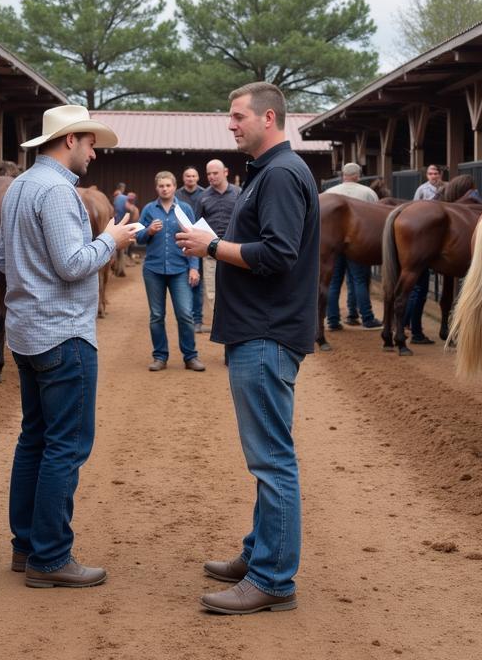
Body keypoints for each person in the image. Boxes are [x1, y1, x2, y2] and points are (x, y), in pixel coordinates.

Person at [177, 82, 318, 615]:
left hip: (266, 331)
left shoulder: (280, 174)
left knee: (272, 461)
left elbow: (279, 254)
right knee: (268, 457)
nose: (231, 125)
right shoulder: (273, 171)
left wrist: (212, 246)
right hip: (259, 329)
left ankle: (274, 580)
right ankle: (261, 552)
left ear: (269, 118)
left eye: (238, 117)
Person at [0, 104, 139, 587]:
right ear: (70, 140)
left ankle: (25, 545)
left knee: (34, 438)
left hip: (27, 331)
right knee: (65, 446)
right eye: (90, 142)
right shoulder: (58, 191)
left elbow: (0, 256)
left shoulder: (19, 186)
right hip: (63, 333)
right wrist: (112, 239)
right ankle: (51, 558)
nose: (94, 152)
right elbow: (73, 264)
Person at [136, 172, 204, 371]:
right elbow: (138, 238)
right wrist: (148, 231)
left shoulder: (184, 209)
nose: (164, 188)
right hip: (153, 270)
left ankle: (190, 357)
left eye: (168, 185)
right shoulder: (149, 209)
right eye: (161, 186)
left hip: (180, 269)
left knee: (185, 314)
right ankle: (160, 356)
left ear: (175, 187)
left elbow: (194, 238)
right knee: (157, 315)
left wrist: (194, 267)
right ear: (156, 188)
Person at [322, 162, 381, 330]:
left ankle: (333, 320)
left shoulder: (329, 193)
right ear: (358, 176)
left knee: (333, 282)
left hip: (333, 244)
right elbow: (376, 217)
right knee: (360, 280)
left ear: (343, 175)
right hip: (358, 243)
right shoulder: (368, 193)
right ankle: (367, 318)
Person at [402, 162, 444, 345]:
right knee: (418, 288)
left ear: (440, 174)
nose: (433, 175)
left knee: (417, 288)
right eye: (430, 173)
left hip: (441, 234)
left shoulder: (447, 188)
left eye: (435, 173)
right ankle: (407, 322)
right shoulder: (422, 190)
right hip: (425, 235)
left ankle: (406, 322)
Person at [197, 159, 241, 327]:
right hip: (211, 252)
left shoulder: (239, 193)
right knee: (212, 291)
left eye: (215, 173)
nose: (211, 177)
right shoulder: (203, 197)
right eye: (208, 174)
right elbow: (197, 224)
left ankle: (236, 323)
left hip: (234, 251)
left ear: (226, 172)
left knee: (237, 288)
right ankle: (222, 324)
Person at [176, 167, 207, 332]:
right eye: (187, 175)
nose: (190, 178)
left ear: (197, 177)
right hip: (182, 240)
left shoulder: (204, 193)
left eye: (193, 175)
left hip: (200, 239)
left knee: (198, 282)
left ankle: (197, 319)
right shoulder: (177, 195)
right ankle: (186, 316)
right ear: (183, 178)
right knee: (184, 280)